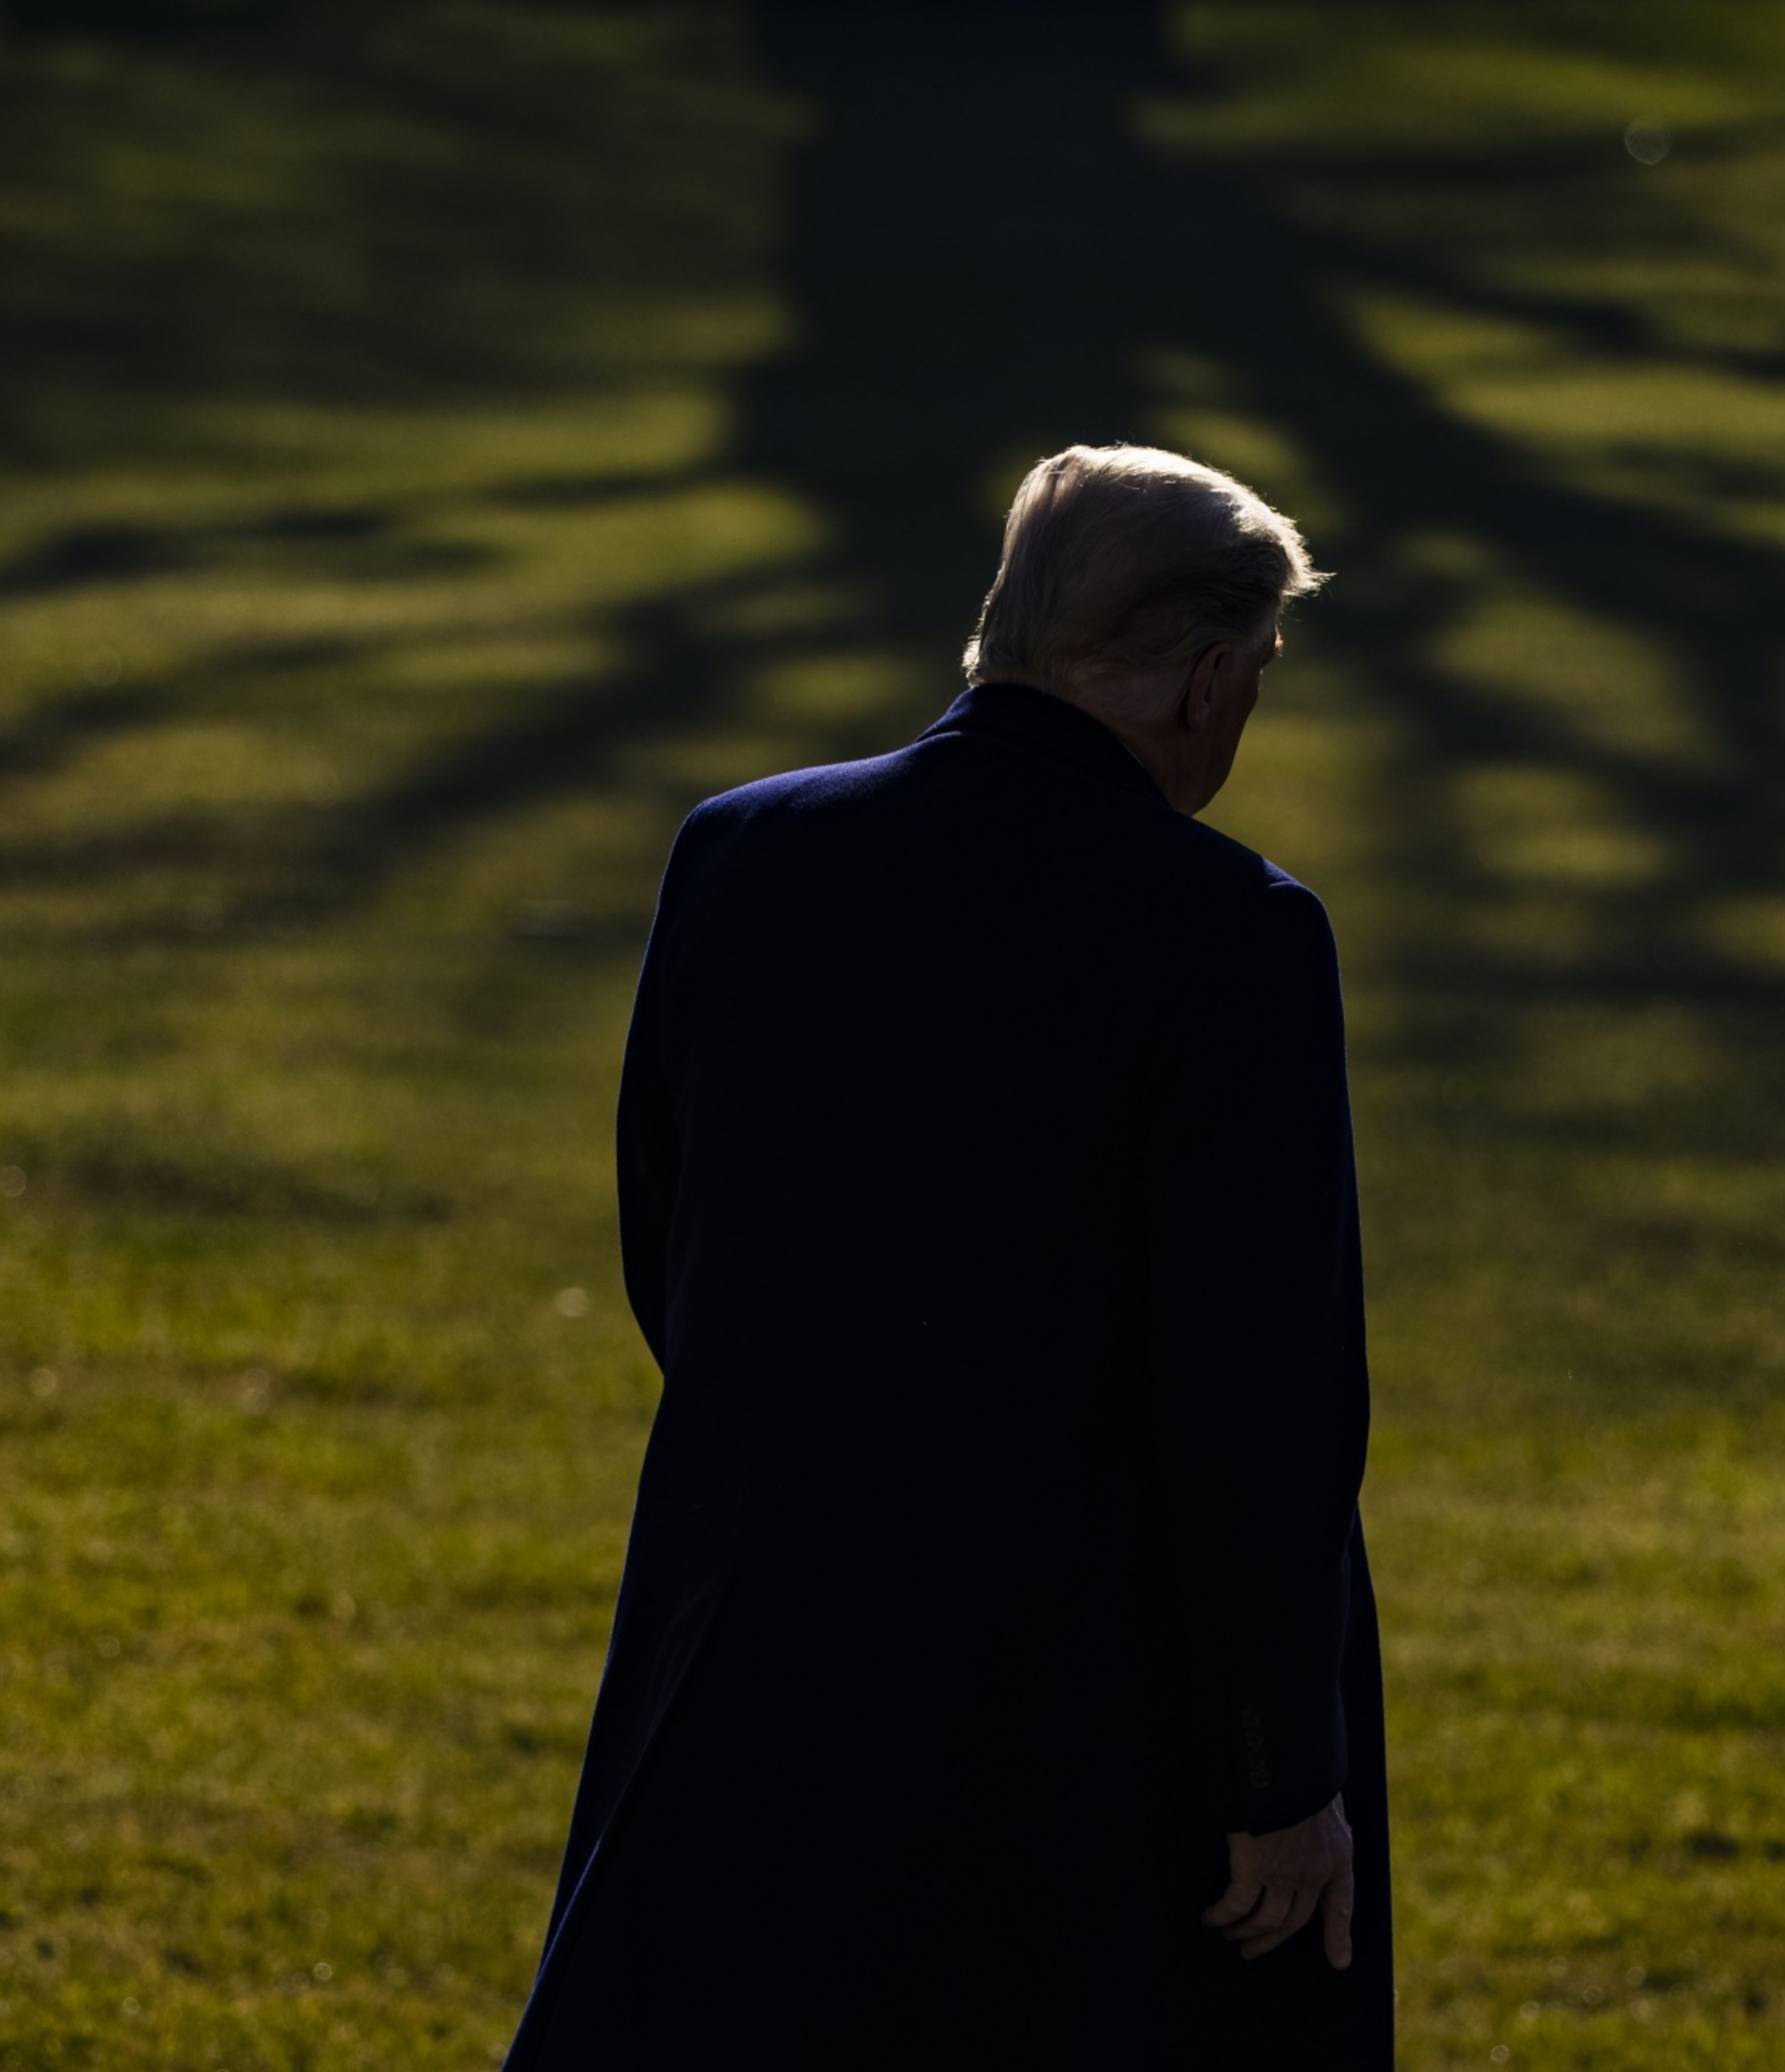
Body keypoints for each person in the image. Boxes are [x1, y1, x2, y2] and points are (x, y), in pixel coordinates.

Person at [504, 446, 1391, 2068]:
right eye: (1256, 673)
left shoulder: (743, 850)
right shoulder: (1233, 932)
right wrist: (1279, 1774)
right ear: (1207, 678)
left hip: (764, 1625)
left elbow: (671, 1238)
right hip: (1093, 1696)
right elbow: (1258, 1391)